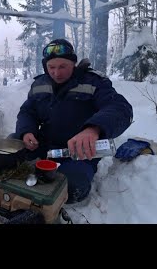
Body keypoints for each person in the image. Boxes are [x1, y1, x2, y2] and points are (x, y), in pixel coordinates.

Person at [12, 39, 133, 204]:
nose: (56, 73)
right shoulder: (39, 83)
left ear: (73, 63)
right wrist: (26, 131)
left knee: (70, 186)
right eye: (51, 67)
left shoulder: (93, 81)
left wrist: (93, 129)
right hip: (45, 145)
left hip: (80, 152)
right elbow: (27, 111)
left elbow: (121, 108)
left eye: (62, 67)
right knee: (10, 146)